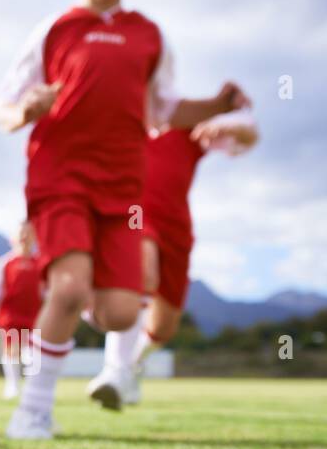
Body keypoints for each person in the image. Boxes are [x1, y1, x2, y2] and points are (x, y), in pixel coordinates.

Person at [0, 0, 250, 440]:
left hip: (123, 194)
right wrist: (25, 110)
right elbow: (2, 104)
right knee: (68, 289)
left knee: (119, 312)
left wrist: (218, 104)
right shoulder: (54, 30)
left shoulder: (149, 36)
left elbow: (167, 108)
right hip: (59, 181)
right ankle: (34, 410)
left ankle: (78, 298)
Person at [89, 115, 259, 409]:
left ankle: (133, 367)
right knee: (141, 272)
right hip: (134, 214)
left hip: (176, 228)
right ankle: (114, 371)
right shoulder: (123, 119)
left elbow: (248, 138)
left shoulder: (185, 123)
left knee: (162, 330)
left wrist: (236, 127)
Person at [0, 221, 44, 399]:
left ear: (35, 238)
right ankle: (13, 385)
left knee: (33, 352)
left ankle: (32, 388)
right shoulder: (6, 262)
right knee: (11, 349)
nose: (24, 237)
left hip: (35, 316)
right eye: (21, 233)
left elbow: (46, 288)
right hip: (10, 316)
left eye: (28, 233)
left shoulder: (39, 262)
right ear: (12, 239)